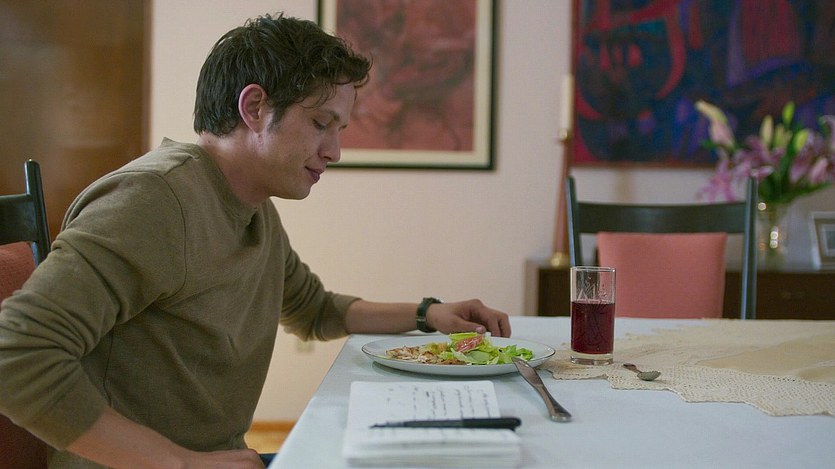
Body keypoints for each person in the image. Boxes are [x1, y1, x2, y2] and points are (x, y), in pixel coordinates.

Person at [0, 12, 511, 469]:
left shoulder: (252, 207)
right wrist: (179, 463)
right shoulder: (154, 201)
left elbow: (314, 309)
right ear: (255, 107)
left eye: (339, 129)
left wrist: (429, 313)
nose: (334, 151)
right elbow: (16, 352)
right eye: (320, 123)